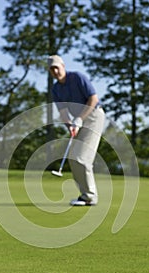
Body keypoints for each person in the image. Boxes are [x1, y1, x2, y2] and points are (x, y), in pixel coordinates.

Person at [48, 55, 105, 206]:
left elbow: (93, 99)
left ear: (63, 66)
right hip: (77, 121)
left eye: (57, 67)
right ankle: (84, 195)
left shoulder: (78, 77)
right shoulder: (55, 89)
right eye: (52, 69)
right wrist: (70, 126)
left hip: (93, 116)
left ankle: (90, 197)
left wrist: (79, 119)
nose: (55, 71)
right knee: (74, 158)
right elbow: (63, 113)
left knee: (82, 157)